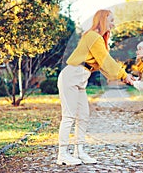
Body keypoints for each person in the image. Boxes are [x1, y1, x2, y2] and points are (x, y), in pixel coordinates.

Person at [57, 9, 134, 165]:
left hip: (80, 78)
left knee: (83, 116)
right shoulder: (93, 36)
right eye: (111, 20)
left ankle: (79, 151)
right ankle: (62, 154)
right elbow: (106, 60)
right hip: (71, 76)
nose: (113, 24)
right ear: (103, 20)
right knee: (69, 116)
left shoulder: (98, 39)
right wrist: (123, 75)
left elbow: (104, 64)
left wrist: (122, 76)